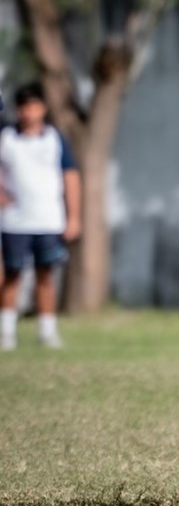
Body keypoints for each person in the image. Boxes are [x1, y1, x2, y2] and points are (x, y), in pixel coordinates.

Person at [0, 83, 81, 351]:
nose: (29, 112)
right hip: (14, 220)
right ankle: (7, 332)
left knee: (46, 276)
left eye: (34, 106)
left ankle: (47, 331)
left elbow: (70, 177)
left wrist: (74, 217)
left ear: (43, 109)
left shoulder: (55, 139)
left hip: (48, 219)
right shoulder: (6, 136)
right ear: (17, 109)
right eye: (24, 107)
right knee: (12, 275)